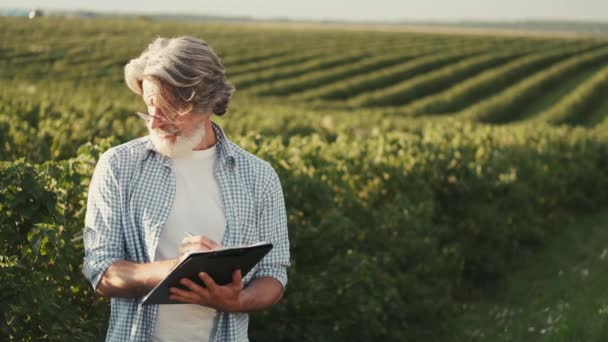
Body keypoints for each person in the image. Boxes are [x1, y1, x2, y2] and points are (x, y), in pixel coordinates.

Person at [82, 36, 291, 342]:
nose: (154, 122)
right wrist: (176, 269)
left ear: (206, 103)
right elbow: (102, 272)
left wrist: (237, 301)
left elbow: (274, 275)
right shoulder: (119, 166)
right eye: (148, 107)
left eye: (167, 110)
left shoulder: (258, 176)